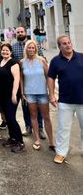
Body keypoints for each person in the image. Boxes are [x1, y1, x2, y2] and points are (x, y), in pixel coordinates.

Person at [48, 35, 83, 164]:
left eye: (69, 42)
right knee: (63, 128)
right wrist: (51, 95)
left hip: (82, 100)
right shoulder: (55, 61)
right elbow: (51, 78)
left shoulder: (81, 57)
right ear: (59, 46)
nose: (68, 45)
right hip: (65, 101)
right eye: (64, 43)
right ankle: (61, 153)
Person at [20, 40, 55, 151]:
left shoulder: (42, 61)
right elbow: (21, 78)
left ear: (36, 49)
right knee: (33, 116)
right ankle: (37, 140)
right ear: (26, 49)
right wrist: (22, 92)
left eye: (33, 47)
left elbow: (49, 77)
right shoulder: (22, 62)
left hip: (42, 93)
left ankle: (51, 141)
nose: (31, 49)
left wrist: (51, 93)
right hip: (29, 93)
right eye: (29, 48)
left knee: (46, 117)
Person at [12, 26, 46, 139]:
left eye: (22, 31)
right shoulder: (14, 47)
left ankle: (40, 128)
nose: (20, 33)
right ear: (16, 34)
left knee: (39, 107)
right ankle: (28, 127)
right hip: (23, 80)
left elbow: (43, 60)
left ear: (25, 32)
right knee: (26, 106)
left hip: (36, 81)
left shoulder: (35, 45)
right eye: (18, 32)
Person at [0, 43, 25, 153]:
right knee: (7, 118)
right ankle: (12, 138)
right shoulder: (0, 61)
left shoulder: (14, 63)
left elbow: (16, 79)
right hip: (2, 94)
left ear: (11, 52)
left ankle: (20, 142)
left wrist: (14, 94)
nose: (5, 52)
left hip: (11, 95)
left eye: (7, 50)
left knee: (11, 118)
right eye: (3, 50)